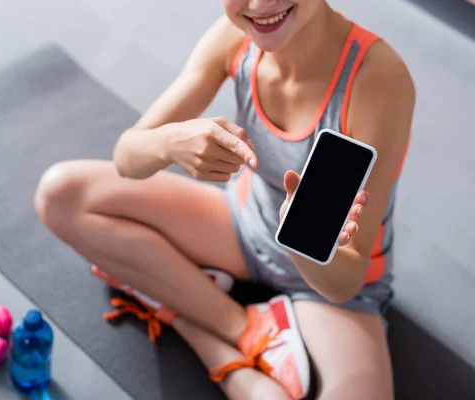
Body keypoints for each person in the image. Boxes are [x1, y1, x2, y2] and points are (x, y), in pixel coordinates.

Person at [34, 0, 414, 399]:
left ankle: (193, 322)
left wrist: (302, 241)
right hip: (244, 226)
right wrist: (170, 143)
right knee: (61, 194)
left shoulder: (376, 80)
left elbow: (343, 282)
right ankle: (247, 329)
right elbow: (127, 158)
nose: (260, 5)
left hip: (326, 280)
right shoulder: (234, 35)